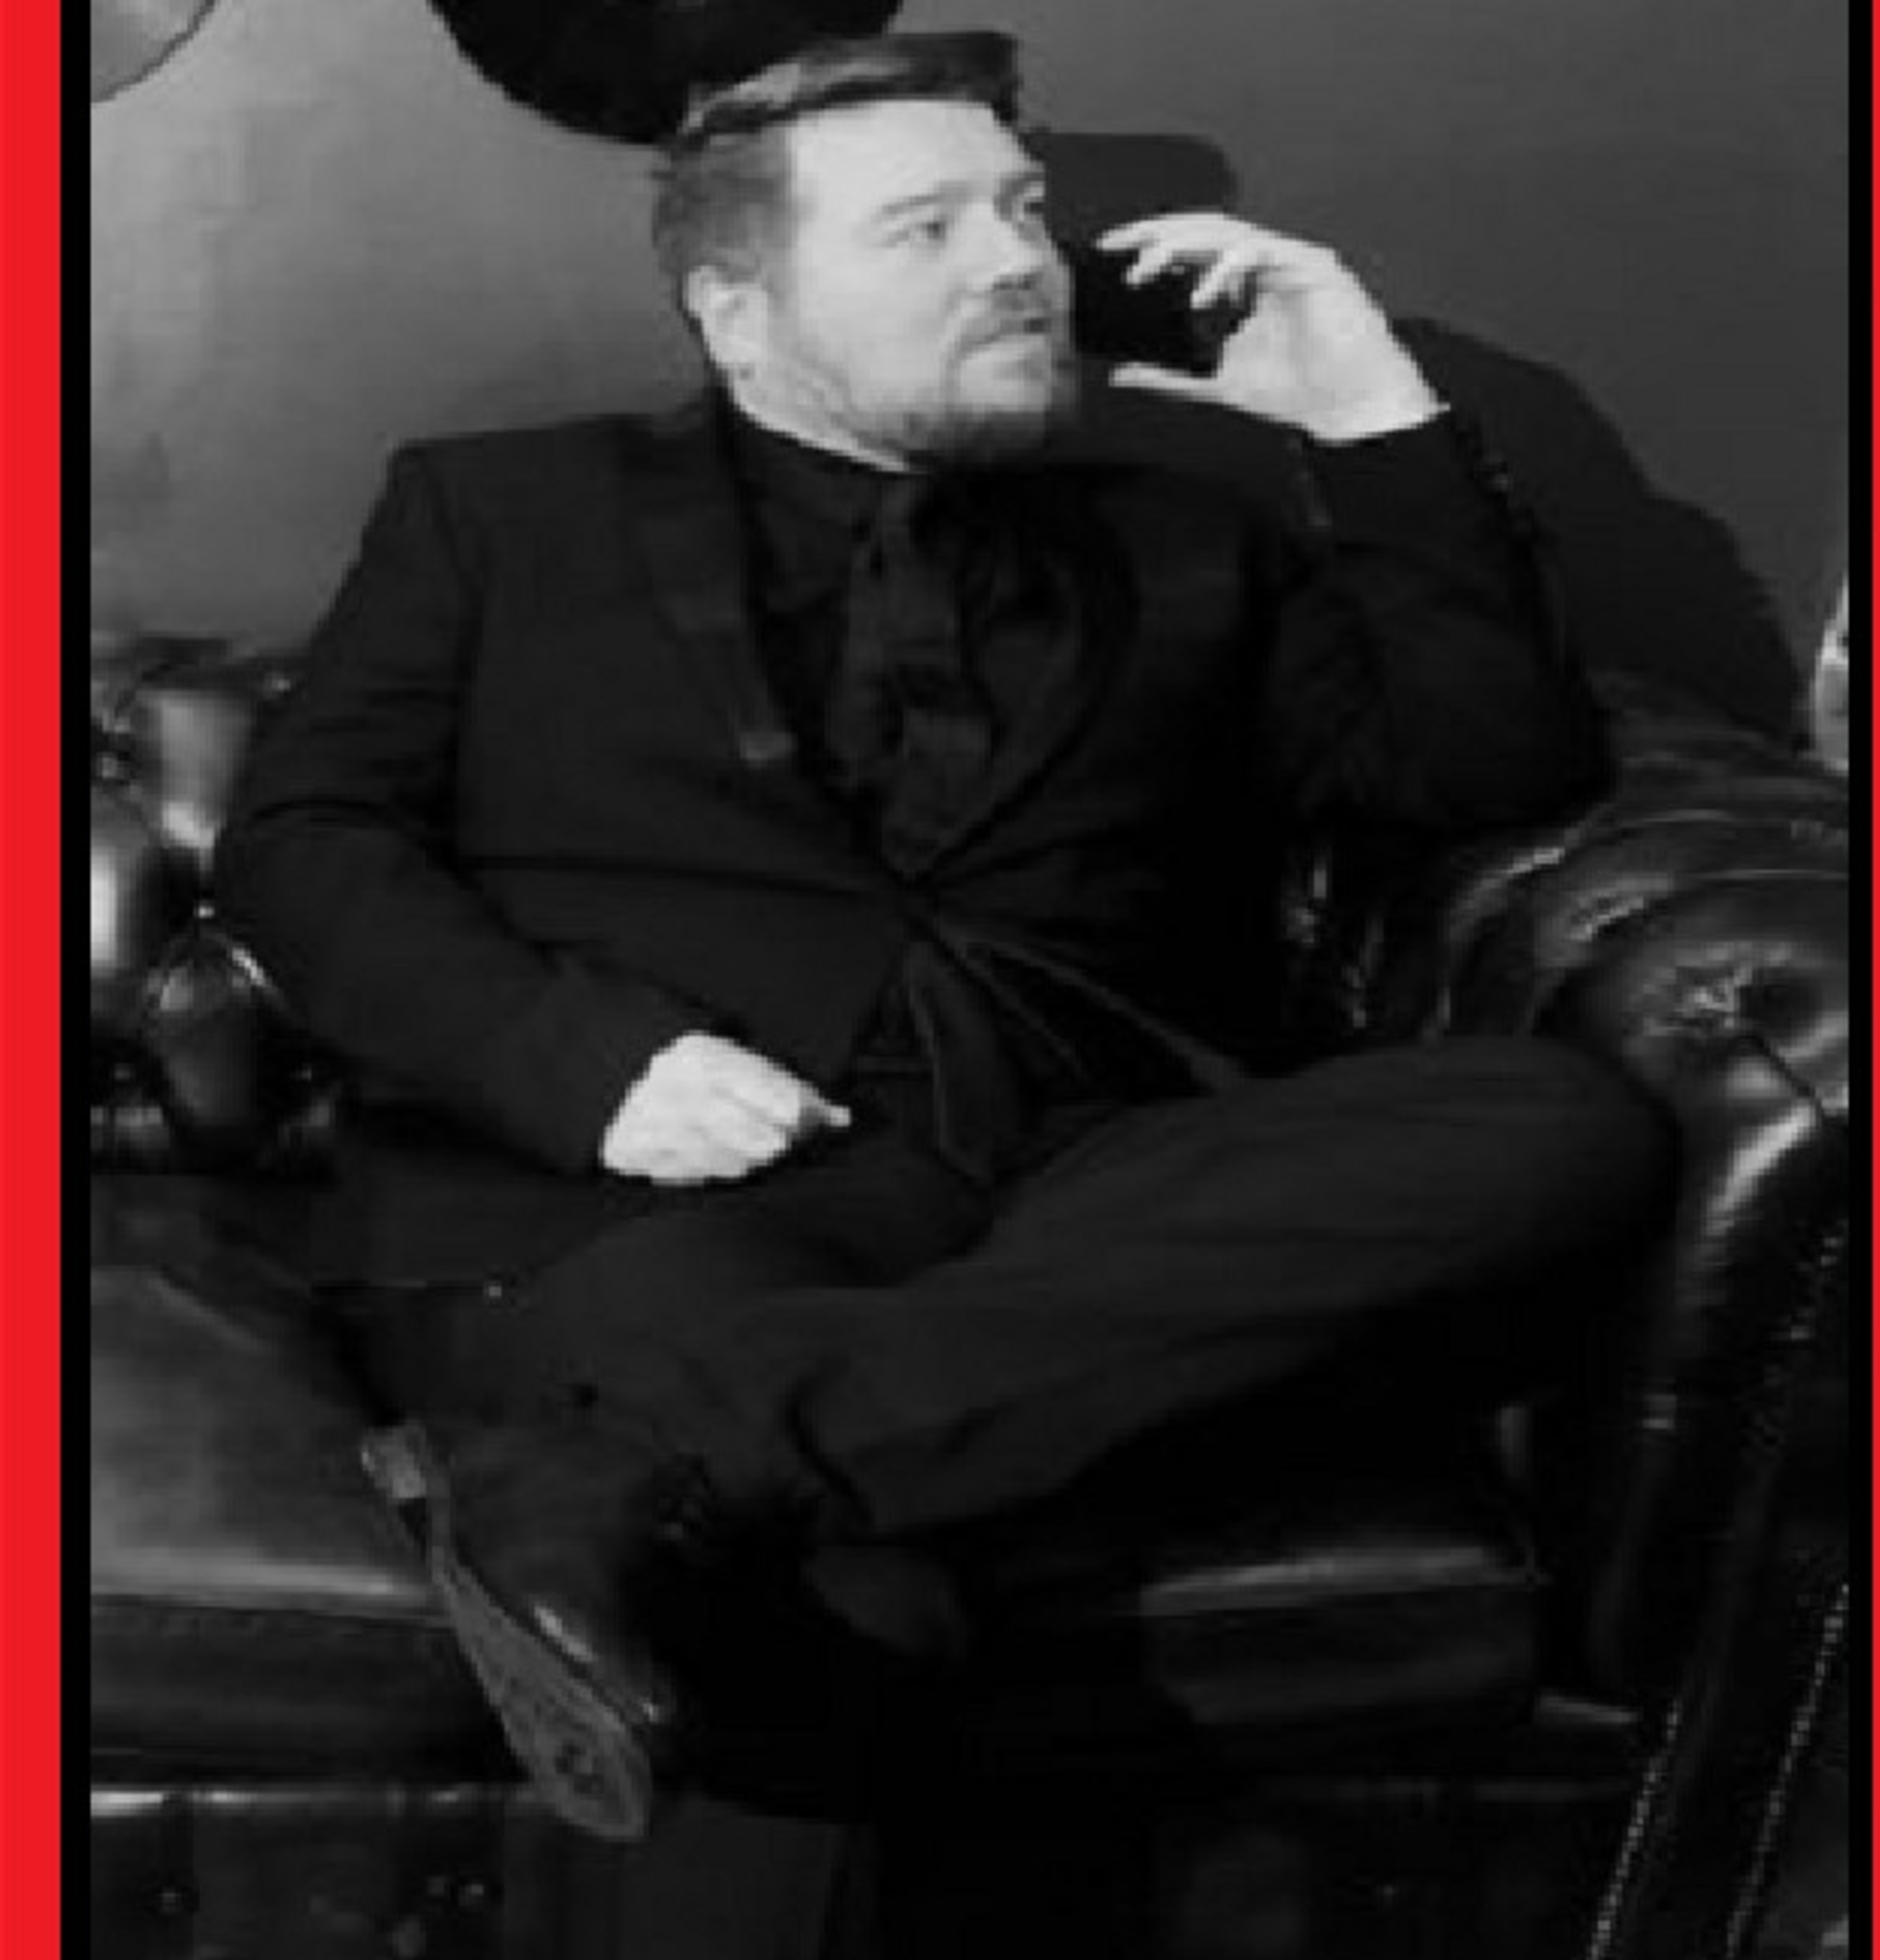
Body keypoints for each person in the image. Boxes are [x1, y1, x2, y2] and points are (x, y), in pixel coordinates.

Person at [215, 30, 1673, 1842]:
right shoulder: (499, 512)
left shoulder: (1189, 543)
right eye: (927, 229)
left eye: (1024, 213)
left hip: (1087, 1178)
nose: (1020, 265)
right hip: (663, 1194)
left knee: (1562, 1125)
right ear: (740, 315)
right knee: (850, 1620)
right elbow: (301, 844)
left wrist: (1372, 418)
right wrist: (578, 1062)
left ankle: (638, 1460)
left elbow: (1493, 766)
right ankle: (787, 1462)